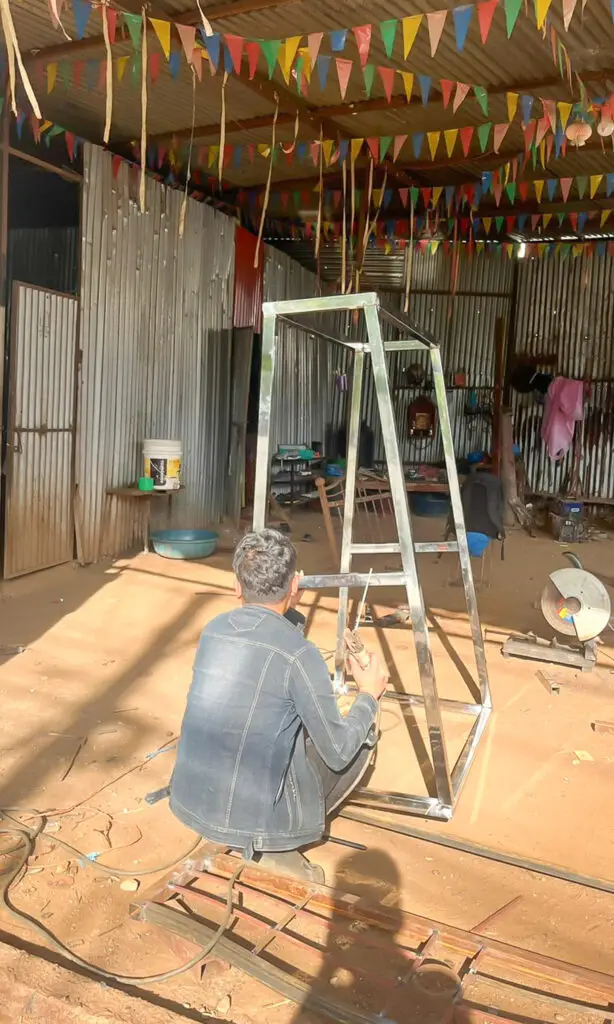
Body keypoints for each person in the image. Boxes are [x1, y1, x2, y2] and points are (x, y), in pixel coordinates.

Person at [170, 528, 388, 882]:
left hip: (191, 801)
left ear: (237, 587)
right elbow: (337, 752)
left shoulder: (214, 629)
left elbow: (268, 658)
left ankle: (255, 832)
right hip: (248, 820)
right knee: (360, 738)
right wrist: (368, 695)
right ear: (295, 585)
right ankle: (275, 846)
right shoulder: (301, 655)